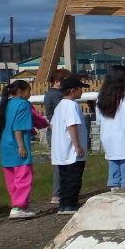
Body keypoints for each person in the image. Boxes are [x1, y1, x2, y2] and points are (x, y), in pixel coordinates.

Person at [96, 65, 125, 190]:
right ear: (121, 78)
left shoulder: (101, 97)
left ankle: (113, 197)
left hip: (108, 141)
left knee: (114, 175)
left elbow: (99, 121)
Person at [50, 75, 89, 214]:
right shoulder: (72, 105)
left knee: (64, 178)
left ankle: (63, 204)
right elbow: (72, 125)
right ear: (73, 90)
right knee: (74, 178)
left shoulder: (60, 105)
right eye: (80, 89)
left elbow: (52, 125)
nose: (82, 92)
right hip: (72, 150)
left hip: (61, 150)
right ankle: (70, 205)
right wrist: (77, 145)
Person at [0, 79, 35, 219]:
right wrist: (21, 146)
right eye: (29, 90)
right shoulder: (23, 104)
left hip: (5, 145)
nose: (30, 93)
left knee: (11, 178)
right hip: (17, 144)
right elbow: (18, 127)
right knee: (24, 177)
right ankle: (19, 206)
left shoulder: (8, 103)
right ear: (21, 91)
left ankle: (16, 205)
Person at [43, 69, 69, 206]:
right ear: (58, 81)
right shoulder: (58, 96)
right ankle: (58, 193)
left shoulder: (49, 94)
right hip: (58, 132)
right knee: (61, 164)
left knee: (58, 163)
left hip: (52, 131)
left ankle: (59, 192)